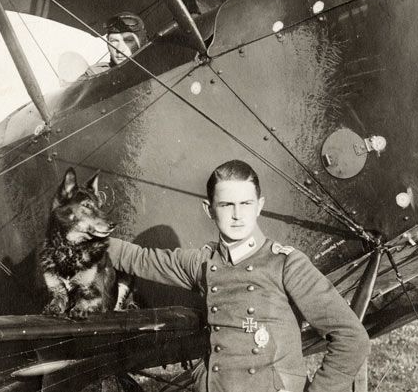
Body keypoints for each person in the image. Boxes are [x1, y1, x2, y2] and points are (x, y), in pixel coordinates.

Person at [107, 160, 370, 392]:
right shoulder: (203, 263)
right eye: (226, 205)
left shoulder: (286, 264)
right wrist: (80, 234)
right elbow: (140, 259)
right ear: (208, 210)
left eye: (246, 203)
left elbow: (351, 338)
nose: (237, 215)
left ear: (259, 206)